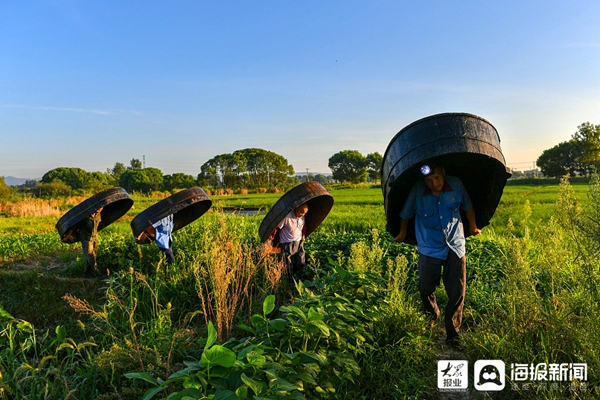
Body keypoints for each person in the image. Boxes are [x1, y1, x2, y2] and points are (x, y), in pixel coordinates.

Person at [394, 164, 480, 346]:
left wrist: (472, 227)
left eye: (437, 178)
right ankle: (432, 315)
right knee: (425, 289)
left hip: (455, 245)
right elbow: (406, 214)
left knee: (457, 291)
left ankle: (453, 333)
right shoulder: (418, 190)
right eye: (428, 180)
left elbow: (468, 206)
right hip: (429, 247)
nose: (433, 183)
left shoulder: (456, 184)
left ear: (444, 174)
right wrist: (402, 234)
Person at [278, 203, 308, 282]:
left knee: (301, 260)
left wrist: (303, 235)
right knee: (288, 264)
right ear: (296, 209)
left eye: (304, 213)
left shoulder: (302, 217)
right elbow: (277, 228)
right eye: (301, 212)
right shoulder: (287, 217)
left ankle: (300, 278)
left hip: (298, 241)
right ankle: (290, 281)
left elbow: (303, 226)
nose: (302, 215)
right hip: (287, 242)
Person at [79, 207, 103, 278]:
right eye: (98, 208)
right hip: (86, 238)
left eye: (101, 208)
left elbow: (97, 226)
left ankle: (86, 274)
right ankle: (98, 273)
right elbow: (75, 227)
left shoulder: (98, 216)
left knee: (94, 255)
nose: (99, 210)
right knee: (90, 255)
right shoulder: (85, 217)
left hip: (94, 237)